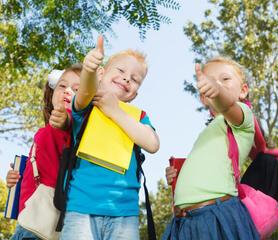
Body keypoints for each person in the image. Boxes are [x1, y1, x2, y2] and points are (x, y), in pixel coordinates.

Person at [60, 36, 159, 240]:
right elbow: (86, 89)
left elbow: (152, 143)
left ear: (134, 94)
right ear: (102, 74)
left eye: (134, 79)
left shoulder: (139, 116)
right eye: (121, 71)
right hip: (81, 209)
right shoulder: (87, 104)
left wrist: (115, 111)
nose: (126, 78)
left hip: (125, 213)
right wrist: (88, 70)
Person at [162, 56, 259, 240]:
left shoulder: (242, 118)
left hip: (215, 217)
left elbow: (228, 104)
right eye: (211, 82)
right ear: (202, 98)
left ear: (243, 91)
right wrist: (178, 177)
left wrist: (217, 92)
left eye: (225, 79)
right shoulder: (208, 131)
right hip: (183, 224)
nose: (218, 85)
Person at [6, 64, 82, 240]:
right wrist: (18, 177)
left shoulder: (71, 128)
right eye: (62, 86)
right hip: (29, 219)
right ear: (52, 92)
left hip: (39, 225)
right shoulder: (46, 131)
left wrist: (68, 121)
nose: (67, 91)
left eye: (76, 89)